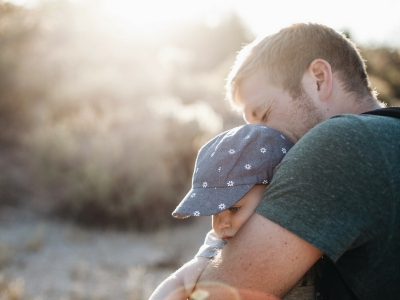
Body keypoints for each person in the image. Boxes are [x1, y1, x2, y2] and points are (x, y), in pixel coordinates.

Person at [192, 23, 400, 299]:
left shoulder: (339, 142)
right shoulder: (388, 135)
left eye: (263, 114)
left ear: (318, 78)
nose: (259, 138)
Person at [149, 124, 301, 300]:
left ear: (274, 192)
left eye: (234, 208)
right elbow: (179, 281)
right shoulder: (220, 245)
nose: (221, 224)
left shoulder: (301, 229)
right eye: (214, 212)